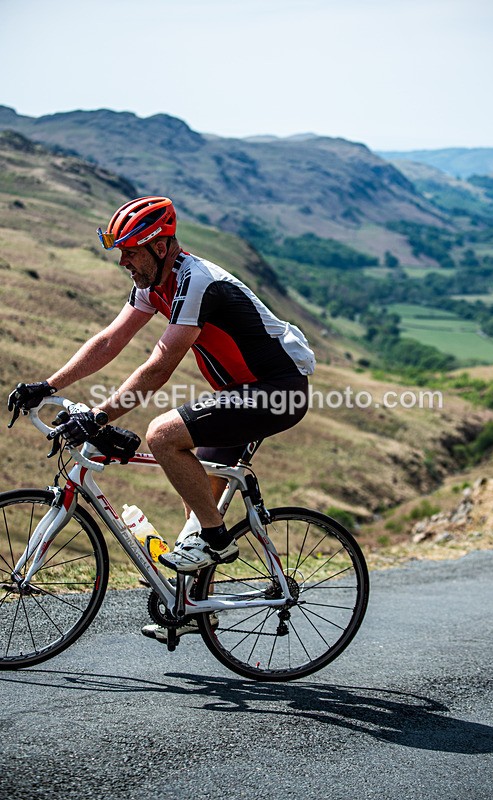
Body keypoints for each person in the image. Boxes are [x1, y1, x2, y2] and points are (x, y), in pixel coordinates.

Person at [7, 196, 315, 641]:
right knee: (196, 497)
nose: (123, 262)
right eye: (121, 252)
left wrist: (99, 415)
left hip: (278, 390)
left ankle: (217, 541)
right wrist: (49, 386)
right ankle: (194, 606)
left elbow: (161, 361)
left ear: (161, 246)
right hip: (240, 393)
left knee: (163, 435)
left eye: (131, 251)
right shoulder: (154, 284)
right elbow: (109, 341)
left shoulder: (196, 281)